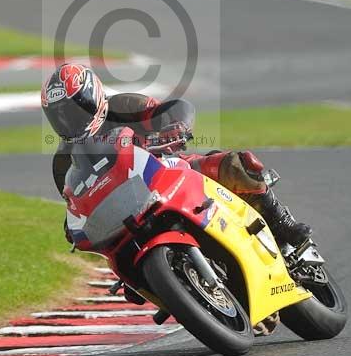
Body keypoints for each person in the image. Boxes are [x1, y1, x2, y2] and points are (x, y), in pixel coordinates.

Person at [41, 63, 311, 248]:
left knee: (233, 165)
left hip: (168, 172)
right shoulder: (64, 161)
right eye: (59, 116)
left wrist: (174, 129)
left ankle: (283, 224)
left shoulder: (125, 106)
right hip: (125, 213)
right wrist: (73, 225)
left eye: (76, 109)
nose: (69, 120)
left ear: (94, 96)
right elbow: (74, 202)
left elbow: (175, 109)